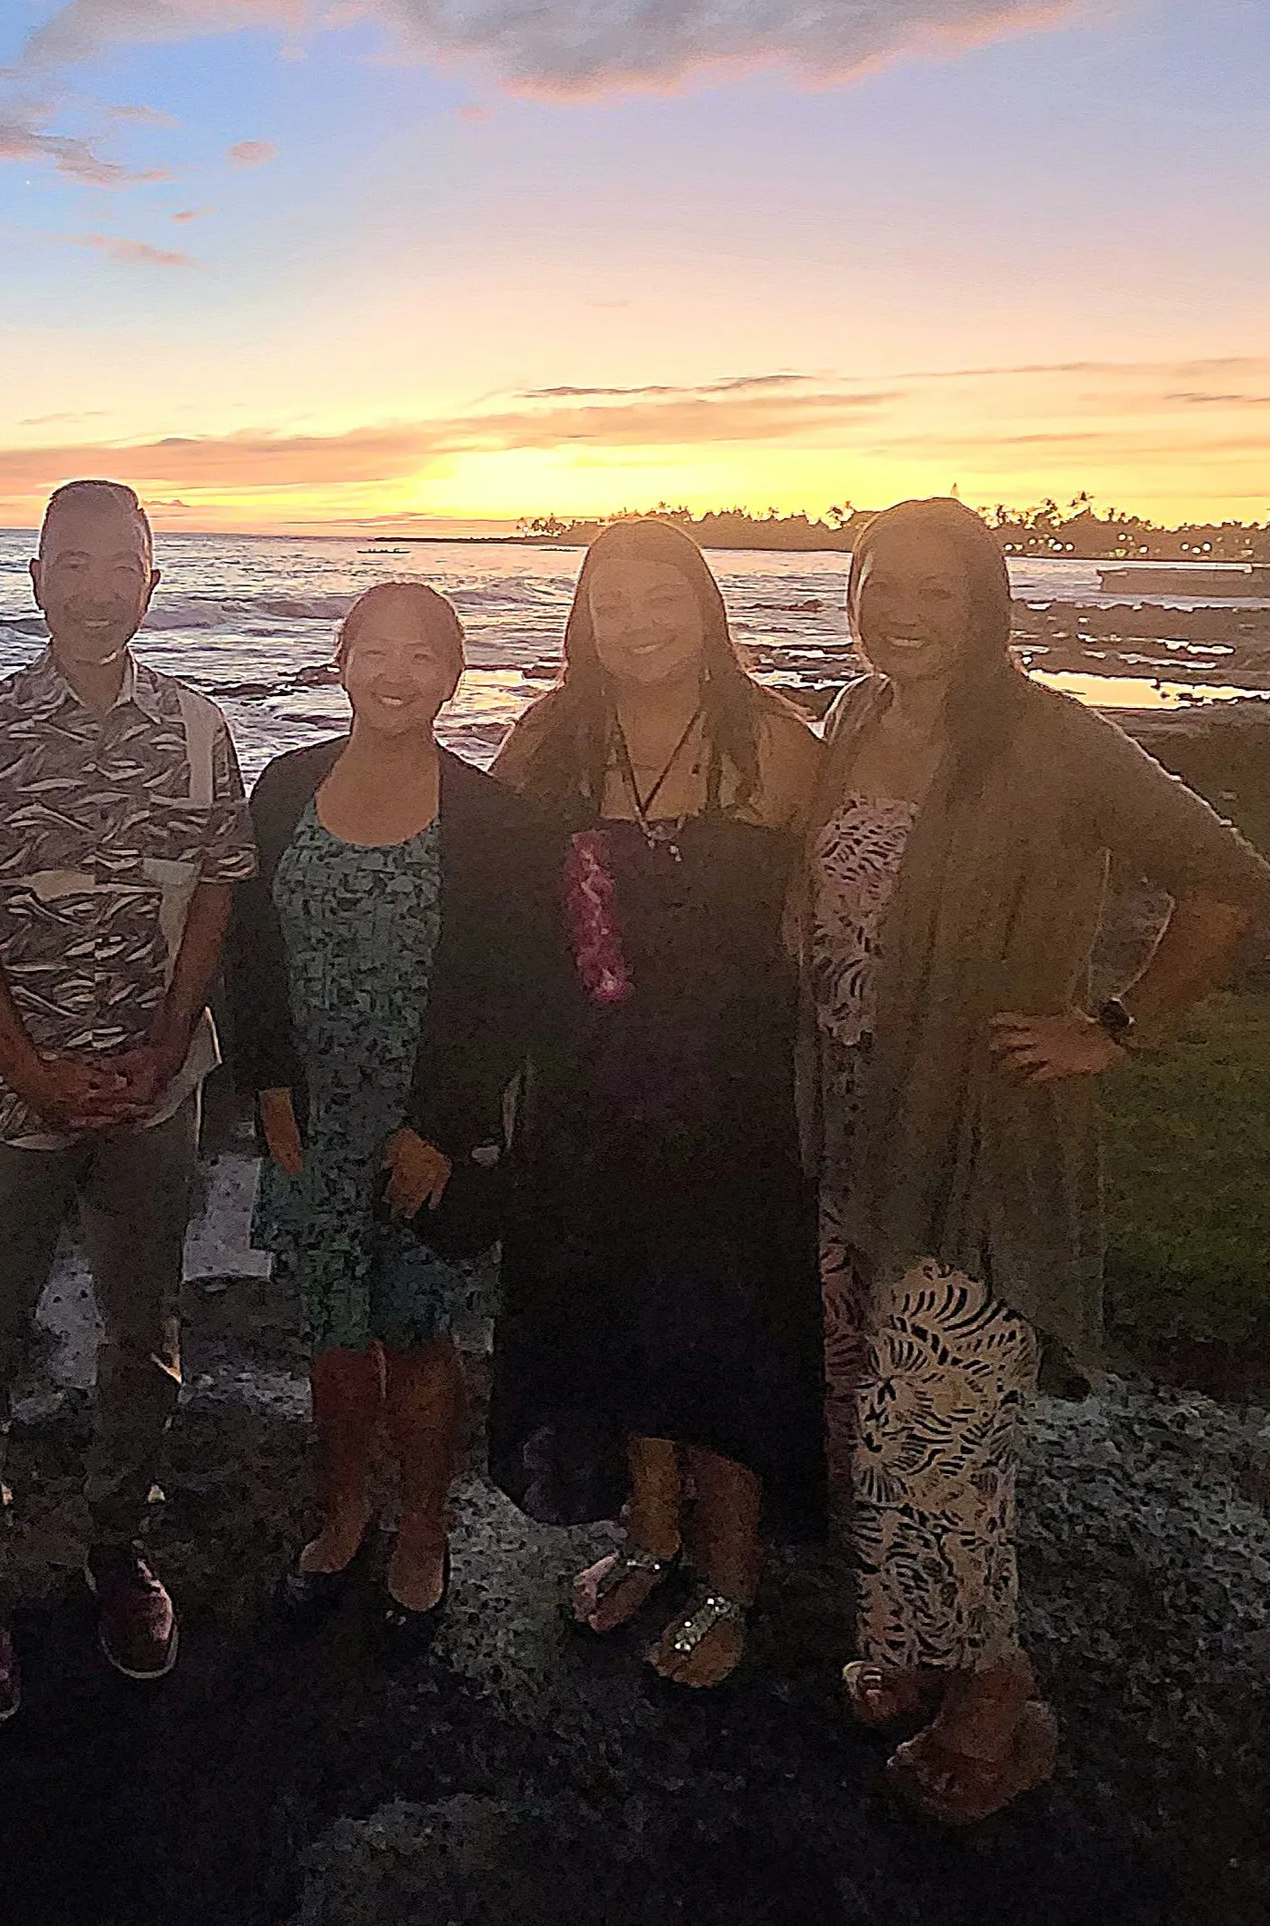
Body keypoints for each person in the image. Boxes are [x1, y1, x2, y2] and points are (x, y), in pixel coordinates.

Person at [807, 497, 1270, 1822]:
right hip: (846, 1124)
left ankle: (996, 1687)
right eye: (878, 581)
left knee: (941, 1428)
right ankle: (908, 1643)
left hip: (979, 1137)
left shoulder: (1050, 736)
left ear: (989, 605)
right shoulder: (851, 717)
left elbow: (1229, 873)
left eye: (935, 590)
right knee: (867, 1410)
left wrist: (1116, 1024)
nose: (898, 608)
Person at [0, 480, 258, 1723]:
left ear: (154, 582)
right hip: (11, 1100)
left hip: (153, 1093)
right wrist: (26, 1065)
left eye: (126, 564)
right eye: (76, 561)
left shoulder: (202, 727)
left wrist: (167, 1049)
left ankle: (119, 1547)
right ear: (37, 575)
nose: (100, 586)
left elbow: (217, 888)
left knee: (143, 1330)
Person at [485, 521, 827, 1689]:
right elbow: (488, 895)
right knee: (625, 1322)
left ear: (706, 605)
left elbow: (851, 902)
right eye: (609, 600)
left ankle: (729, 1579)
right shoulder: (549, 738)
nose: (634, 621)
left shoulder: (775, 743)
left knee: (726, 1332)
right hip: (589, 1093)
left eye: (660, 596)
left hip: (730, 1101)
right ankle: (651, 1535)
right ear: (583, 616)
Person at [225, 580, 567, 1642]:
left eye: (422, 654)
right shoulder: (284, 786)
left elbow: (513, 987)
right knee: (334, 1334)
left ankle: (424, 1524)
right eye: (374, 648)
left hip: (427, 1125)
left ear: (453, 674)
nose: (396, 672)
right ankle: (343, 1508)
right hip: (314, 1118)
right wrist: (267, 1084)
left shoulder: (494, 819)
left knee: (418, 1334)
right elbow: (251, 951)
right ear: (341, 661)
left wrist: (445, 1127)